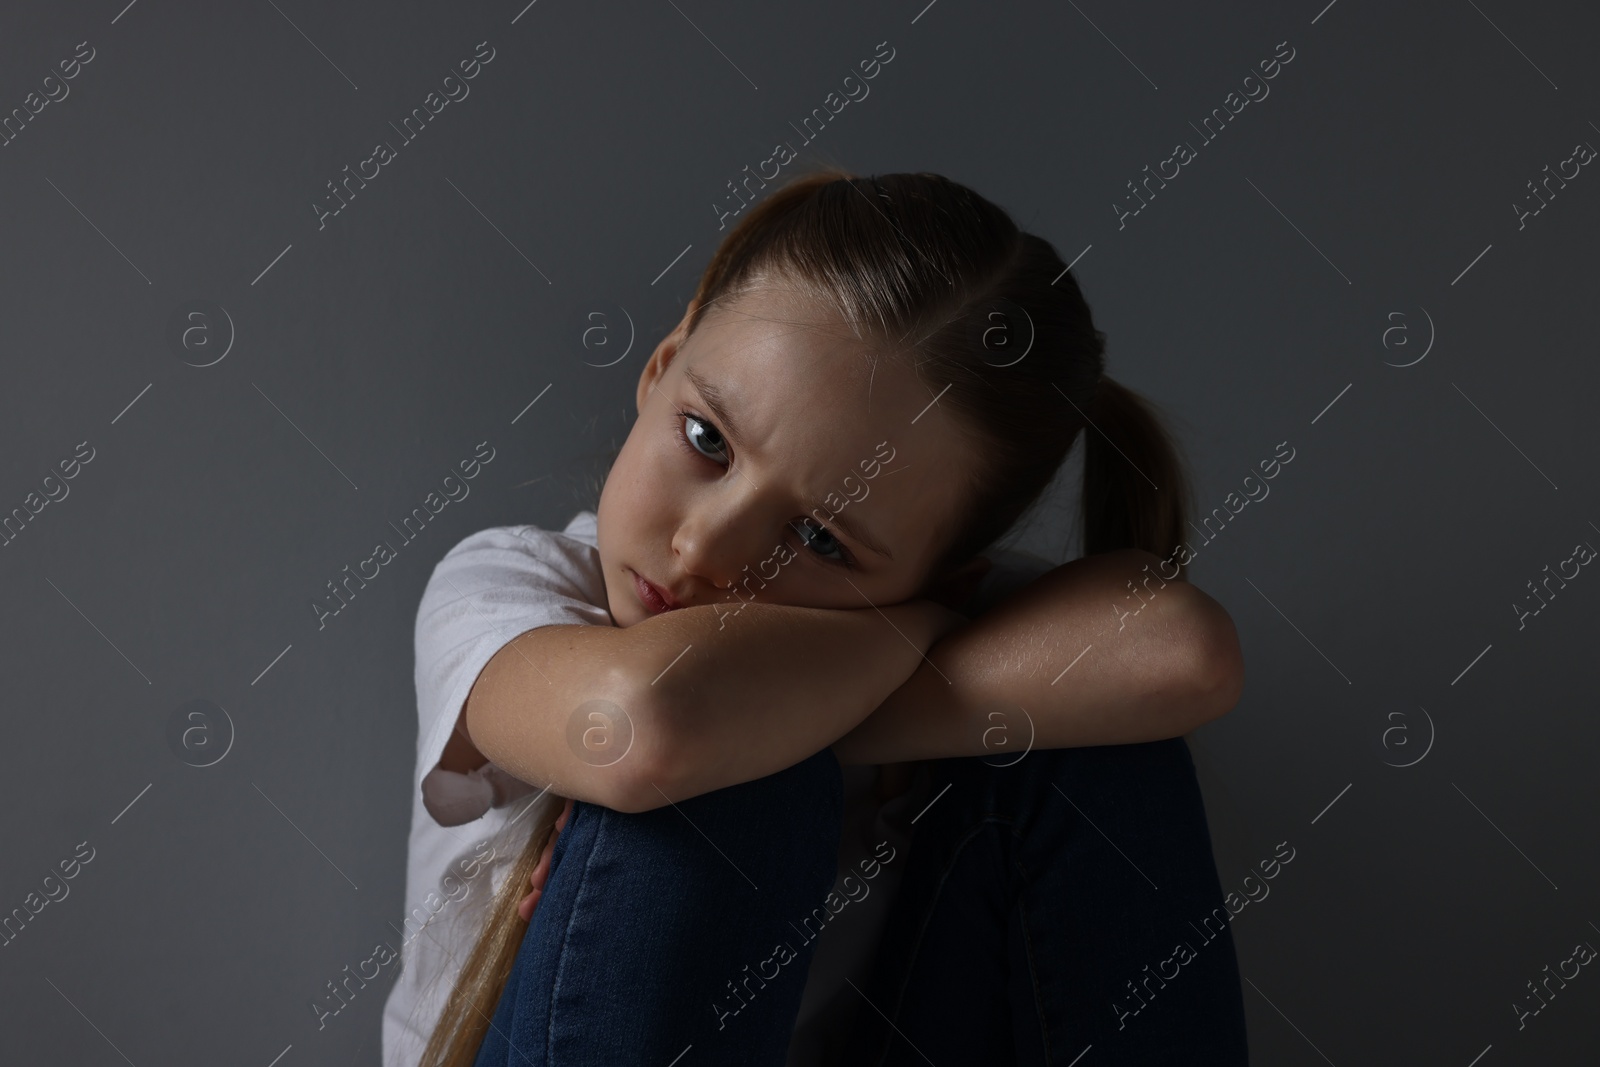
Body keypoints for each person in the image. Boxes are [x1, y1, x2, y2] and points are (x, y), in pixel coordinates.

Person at [381, 169, 1250, 1067]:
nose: (705, 546)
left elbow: (1185, 650)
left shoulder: (926, 606)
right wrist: (907, 643)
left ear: (943, 577)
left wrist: (834, 687)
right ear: (660, 365)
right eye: (707, 439)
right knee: (732, 764)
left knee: (1096, 750)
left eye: (819, 537)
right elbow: (646, 726)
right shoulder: (509, 584)